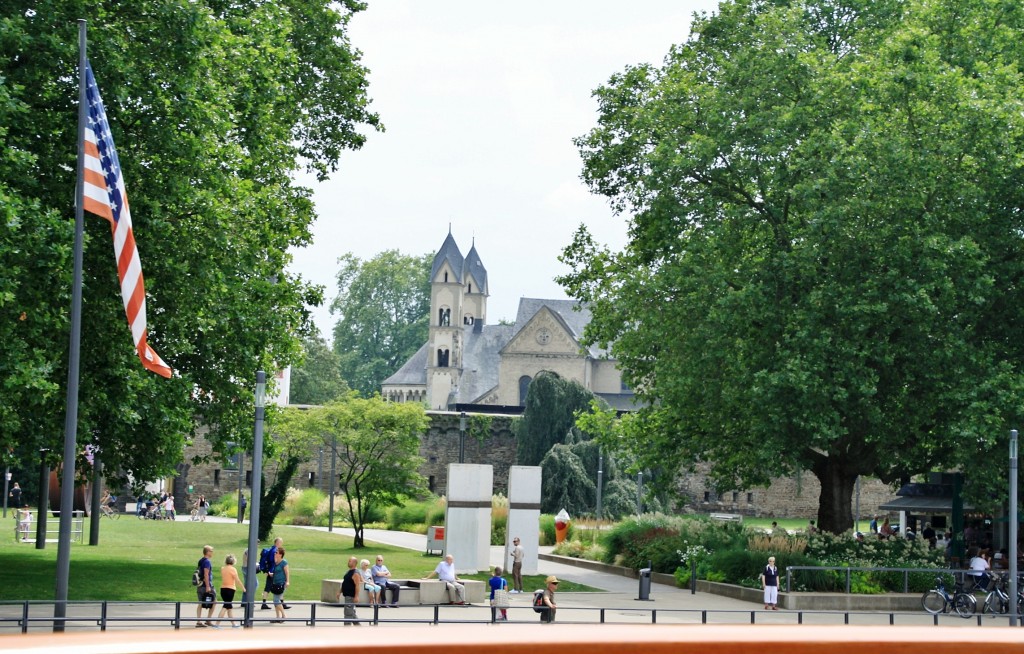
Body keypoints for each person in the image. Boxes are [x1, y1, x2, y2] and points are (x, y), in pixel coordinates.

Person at [213, 554, 242, 628]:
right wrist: (243, 588)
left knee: (229, 607)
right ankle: (217, 624)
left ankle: (233, 624)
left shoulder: (223, 568)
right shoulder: (233, 569)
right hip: (230, 589)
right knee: (226, 606)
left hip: (223, 589)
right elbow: (237, 580)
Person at [195, 545, 216, 628]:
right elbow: (206, 574)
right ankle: (208, 620)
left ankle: (198, 621)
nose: (212, 552)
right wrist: (208, 586)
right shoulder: (207, 561)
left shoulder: (201, 560)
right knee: (214, 601)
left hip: (200, 585)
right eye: (211, 551)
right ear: (207, 552)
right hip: (206, 585)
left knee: (200, 602)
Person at [260, 537, 284, 609]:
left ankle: (264, 603)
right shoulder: (275, 551)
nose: (281, 544)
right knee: (280, 585)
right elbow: (275, 561)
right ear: (278, 543)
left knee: (268, 587)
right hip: (273, 571)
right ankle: (282, 603)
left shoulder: (271, 549)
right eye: (281, 542)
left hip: (269, 571)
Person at [338, 555, 361, 625]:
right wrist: (339, 592)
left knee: (348, 613)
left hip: (351, 596)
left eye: (350, 561)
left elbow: (357, 585)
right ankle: (360, 628)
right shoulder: (348, 572)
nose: (348, 562)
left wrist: (356, 596)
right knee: (351, 613)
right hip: (347, 595)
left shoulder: (355, 573)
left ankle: (347, 629)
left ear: (354, 563)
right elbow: (345, 582)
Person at [269, 547, 289, 623]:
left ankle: (283, 616)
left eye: (277, 552)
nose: (275, 553)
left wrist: (287, 581)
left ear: (280, 554)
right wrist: (272, 574)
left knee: (276, 600)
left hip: (282, 583)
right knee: (275, 600)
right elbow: (277, 572)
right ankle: (277, 617)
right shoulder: (276, 562)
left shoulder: (284, 562)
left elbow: (287, 572)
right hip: (275, 583)